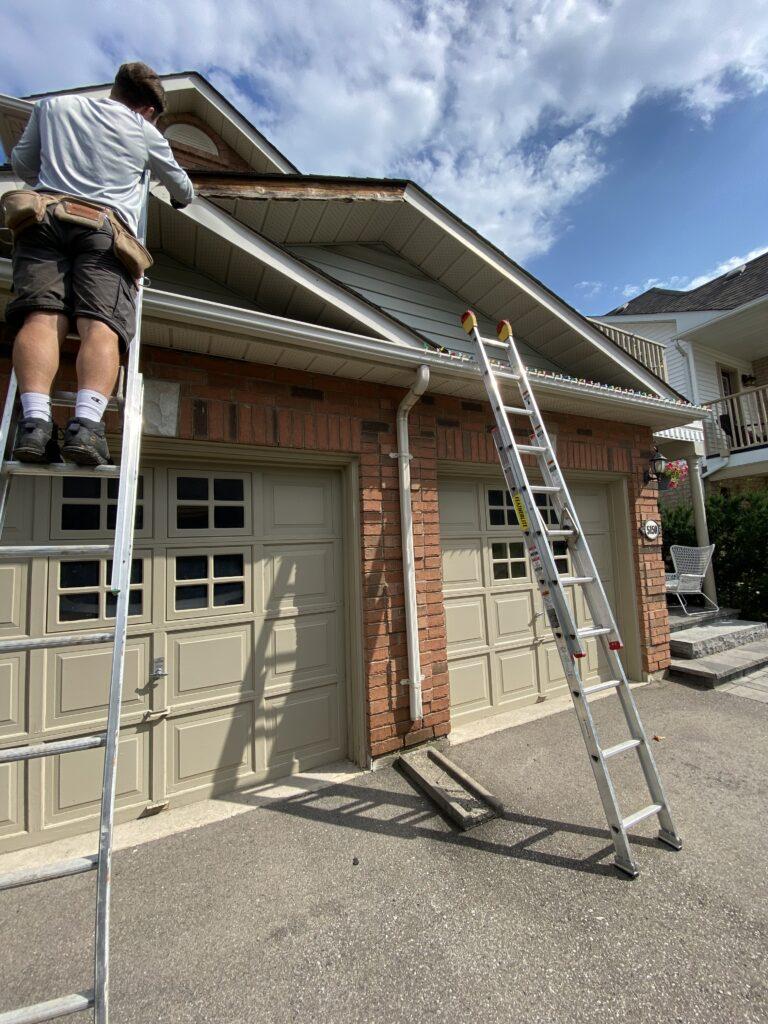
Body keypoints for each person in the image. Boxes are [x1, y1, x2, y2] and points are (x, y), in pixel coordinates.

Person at [4, 62, 194, 465]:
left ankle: (35, 424)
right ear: (147, 110)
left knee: (40, 317)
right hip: (103, 230)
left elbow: (23, 166)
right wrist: (175, 194)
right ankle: (87, 428)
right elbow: (183, 188)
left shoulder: (53, 108)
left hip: (45, 218)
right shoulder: (144, 131)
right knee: (100, 324)